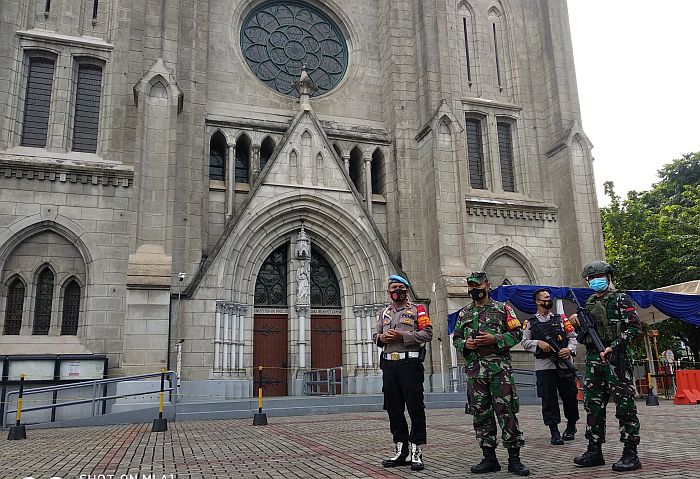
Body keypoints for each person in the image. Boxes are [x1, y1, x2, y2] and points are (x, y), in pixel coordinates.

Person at [453, 272, 530, 476]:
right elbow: (456, 339)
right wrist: (465, 344)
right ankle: (489, 458)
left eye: (477, 285)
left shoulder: (503, 308)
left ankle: (515, 459)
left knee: (506, 412)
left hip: (499, 372)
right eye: (470, 287)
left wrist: (495, 338)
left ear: (487, 285)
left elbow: (517, 334)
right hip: (475, 372)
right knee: (481, 414)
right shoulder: (464, 314)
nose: (474, 290)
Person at [569, 260, 642, 472]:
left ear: (608, 278)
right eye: (590, 279)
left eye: (598, 277)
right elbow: (584, 336)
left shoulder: (621, 299)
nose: (594, 282)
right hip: (594, 360)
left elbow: (634, 328)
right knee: (593, 407)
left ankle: (631, 453)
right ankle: (594, 450)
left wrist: (614, 346)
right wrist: (578, 323)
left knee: (625, 406)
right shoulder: (590, 302)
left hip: (616, 359)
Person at [373, 274, 433, 471]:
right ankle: (401, 449)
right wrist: (382, 337)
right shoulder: (384, 312)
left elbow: (427, 334)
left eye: (400, 287)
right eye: (393, 288)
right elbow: (375, 336)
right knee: (394, 408)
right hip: (389, 366)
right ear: (388, 291)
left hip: (410, 365)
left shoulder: (418, 310)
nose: (397, 291)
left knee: (415, 407)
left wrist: (402, 335)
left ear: (406, 289)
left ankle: (416, 451)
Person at [521, 289, 579, 445]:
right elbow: (524, 342)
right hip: (544, 366)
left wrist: (570, 349)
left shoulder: (561, 319)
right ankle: (554, 431)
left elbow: (572, 337)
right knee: (549, 400)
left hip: (564, 364)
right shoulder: (531, 322)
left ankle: (571, 426)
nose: (548, 300)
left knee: (570, 397)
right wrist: (537, 343)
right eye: (545, 298)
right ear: (537, 302)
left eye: (549, 298)